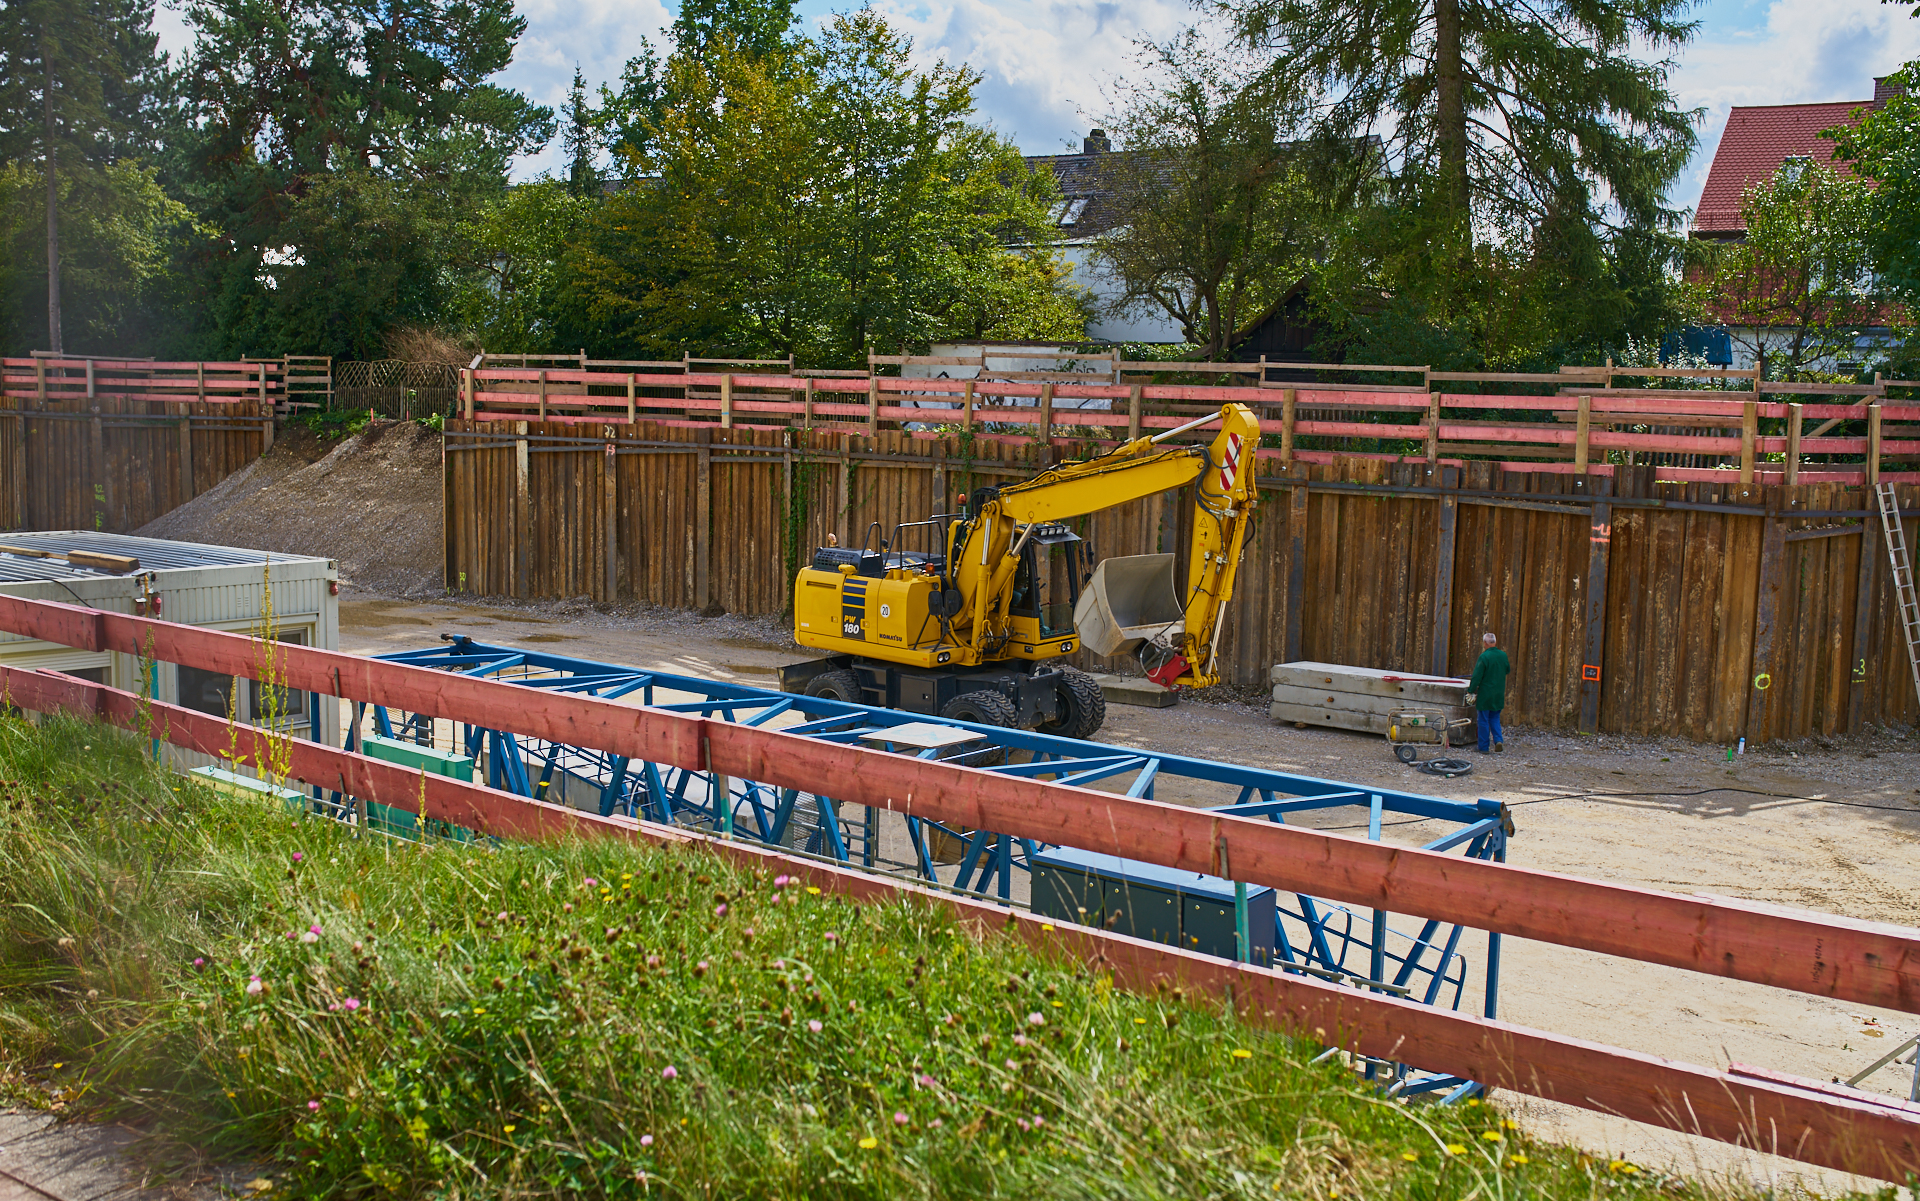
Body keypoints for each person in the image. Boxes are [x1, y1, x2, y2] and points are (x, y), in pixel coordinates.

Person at [1464, 632, 1510, 753]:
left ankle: (1483, 747)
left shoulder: (1484, 657)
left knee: (1483, 719)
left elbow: (1477, 676)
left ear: (1485, 643)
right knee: (1494, 718)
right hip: (1498, 693)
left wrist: (1471, 690)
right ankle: (1498, 740)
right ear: (1495, 642)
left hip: (1485, 694)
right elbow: (1507, 670)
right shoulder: (1503, 655)